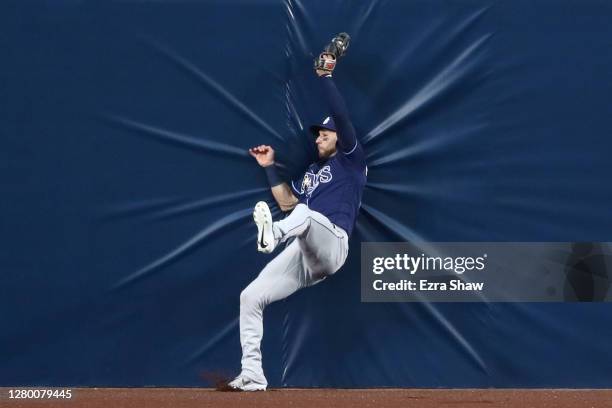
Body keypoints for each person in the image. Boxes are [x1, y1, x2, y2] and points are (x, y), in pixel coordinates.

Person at [227, 50, 367, 391]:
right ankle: (252, 375)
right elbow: (289, 203)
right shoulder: (310, 174)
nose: (318, 137)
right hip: (306, 248)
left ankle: (272, 235)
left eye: (324, 134)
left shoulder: (351, 160)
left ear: (339, 138)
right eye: (317, 134)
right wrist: (270, 167)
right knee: (251, 296)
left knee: (304, 216)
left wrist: (325, 77)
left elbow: (341, 116)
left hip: (333, 243)